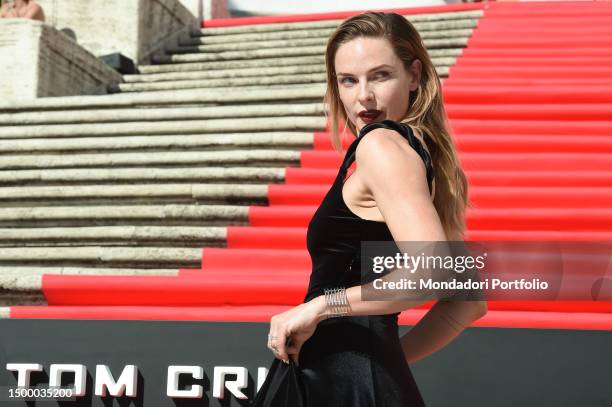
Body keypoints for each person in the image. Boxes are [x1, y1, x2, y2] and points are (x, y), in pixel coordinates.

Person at [257, 11, 488, 406]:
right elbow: (468, 300)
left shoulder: (380, 145)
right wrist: (384, 361)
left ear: (414, 76)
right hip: (351, 379)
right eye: (348, 80)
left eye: (380, 75)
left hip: (337, 383)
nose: (363, 96)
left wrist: (320, 307)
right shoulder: (414, 152)